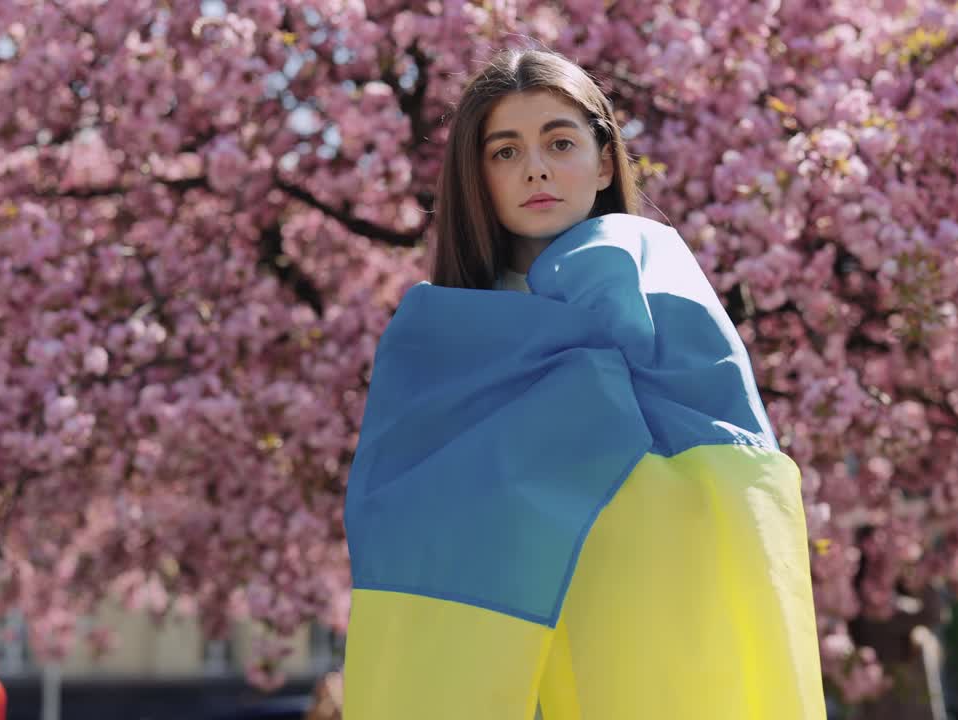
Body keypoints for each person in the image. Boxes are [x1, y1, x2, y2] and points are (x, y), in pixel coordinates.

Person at [341, 47, 825, 720]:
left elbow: (736, 480)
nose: (535, 167)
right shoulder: (438, 338)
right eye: (505, 152)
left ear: (603, 163)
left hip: (644, 652)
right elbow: (401, 522)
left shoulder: (662, 289)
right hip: (498, 654)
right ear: (478, 177)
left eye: (560, 142)